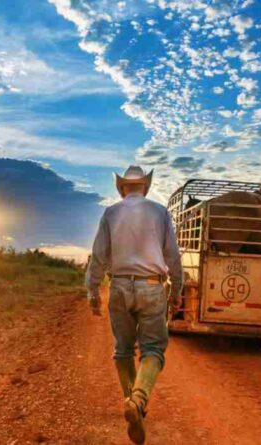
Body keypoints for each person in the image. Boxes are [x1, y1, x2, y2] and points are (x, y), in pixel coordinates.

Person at [86, 165, 183, 445]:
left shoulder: (111, 213)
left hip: (117, 286)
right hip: (152, 286)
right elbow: (172, 256)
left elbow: (99, 256)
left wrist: (92, 291)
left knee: (123, 350)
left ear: (122, 188)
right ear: (145, 186)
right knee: (153, 349)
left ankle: (131, 401)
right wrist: (176, 290)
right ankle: (138, 400)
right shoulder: (160, 212)